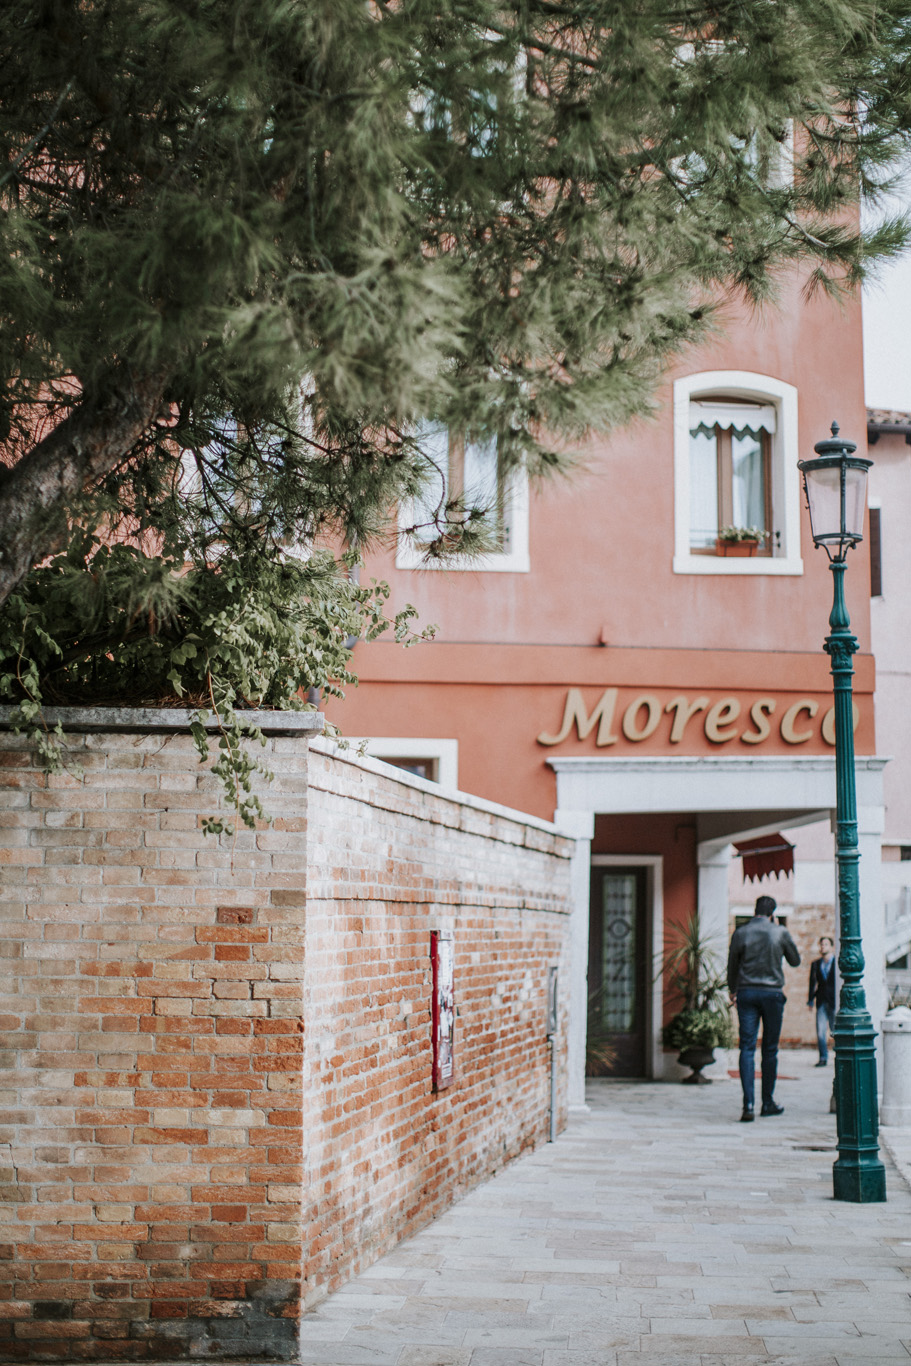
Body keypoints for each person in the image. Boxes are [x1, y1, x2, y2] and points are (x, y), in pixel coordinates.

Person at [727, 895, 801, 1123]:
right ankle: (767, 1102)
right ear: (773, 913)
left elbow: (732, 965)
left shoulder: (741, 933)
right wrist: (778, 931)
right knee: (769, 1049)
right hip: (772, 994)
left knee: (747, 1048)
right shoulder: (779, 932)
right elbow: (795, 961)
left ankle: (748, 1104)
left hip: (747, 992)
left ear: (754, 911)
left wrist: (732, 990)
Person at [807, 936, 837, 1067]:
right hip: (821, 1000)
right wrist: (810, 1000)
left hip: (834, 1001)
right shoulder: (816, 964)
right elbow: (812, 983)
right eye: (821, 944)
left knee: (835, 1030)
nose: (823, 947)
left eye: (825, 944)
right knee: (820, 1031)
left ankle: (839, 1055)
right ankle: (823, 1057)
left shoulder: (837, 963)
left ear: (831, 947)